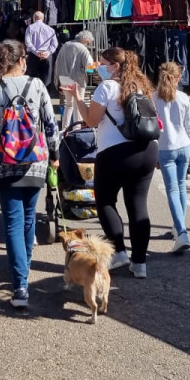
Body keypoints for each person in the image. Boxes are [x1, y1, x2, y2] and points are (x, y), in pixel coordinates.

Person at [0, 40, 58, 310]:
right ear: (21, 61)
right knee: (29, 218)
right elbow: (50, 123)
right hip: (34, 161)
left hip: (3, 162)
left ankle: (20, 285)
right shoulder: (37, 85)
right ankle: (26, 271)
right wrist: (54, 155)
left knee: (12, 222)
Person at [60, 46, 159, 279]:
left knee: (105, 201)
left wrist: (77, 97)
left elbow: (92, 121)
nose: (98, 67)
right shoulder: (142, 85)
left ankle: (119, 253)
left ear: (114, 66)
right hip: (146, 149)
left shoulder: (106, 87)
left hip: (115, 151)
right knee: (138, 206)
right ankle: (140, 264)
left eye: (102, 63)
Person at [154, 61, 190, 254]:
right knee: (181, 187)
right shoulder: (184, 98)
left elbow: (153, 130)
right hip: (184, 145)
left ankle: (182, 231)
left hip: (165, 147)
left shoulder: (153, 98)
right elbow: (189, 127)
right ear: (177, 78)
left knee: (172, 190)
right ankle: (178, 227)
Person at [53, 30, 95, 127]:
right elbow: (90, 67)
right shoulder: (83, 49)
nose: (88, 44)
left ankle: (65, 128)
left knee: (68, 104)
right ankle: (77, 128)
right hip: (77, 78)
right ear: (85, 39)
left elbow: (58, 62)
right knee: (78, 104)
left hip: (63, 77)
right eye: (88, 42)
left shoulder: (65, 45)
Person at [24, 11, 57, 88]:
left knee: (32, 77)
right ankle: (45, 95)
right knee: (46, 78)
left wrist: (36, 52)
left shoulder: (30, 28)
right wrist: (48, 52)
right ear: (43, 19)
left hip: (33, 55)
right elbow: (54, 44)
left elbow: (27, 42)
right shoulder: (50, 29)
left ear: (35, 18)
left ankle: (32, 93)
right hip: (47, 56)